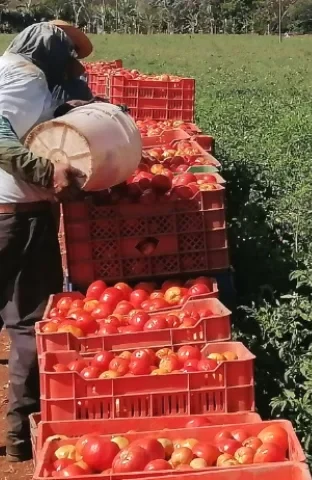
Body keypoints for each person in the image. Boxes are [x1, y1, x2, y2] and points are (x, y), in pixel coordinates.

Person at [0, 20, 93, 462]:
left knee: (30, 324)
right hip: (8, 216)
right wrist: (45, 172)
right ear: (48, 55)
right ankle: (20, 436)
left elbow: (32, 129)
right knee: (24, 323)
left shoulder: (31, 80)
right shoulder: (19, 77)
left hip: (31, 216)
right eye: (66, 59)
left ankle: (21, 436)